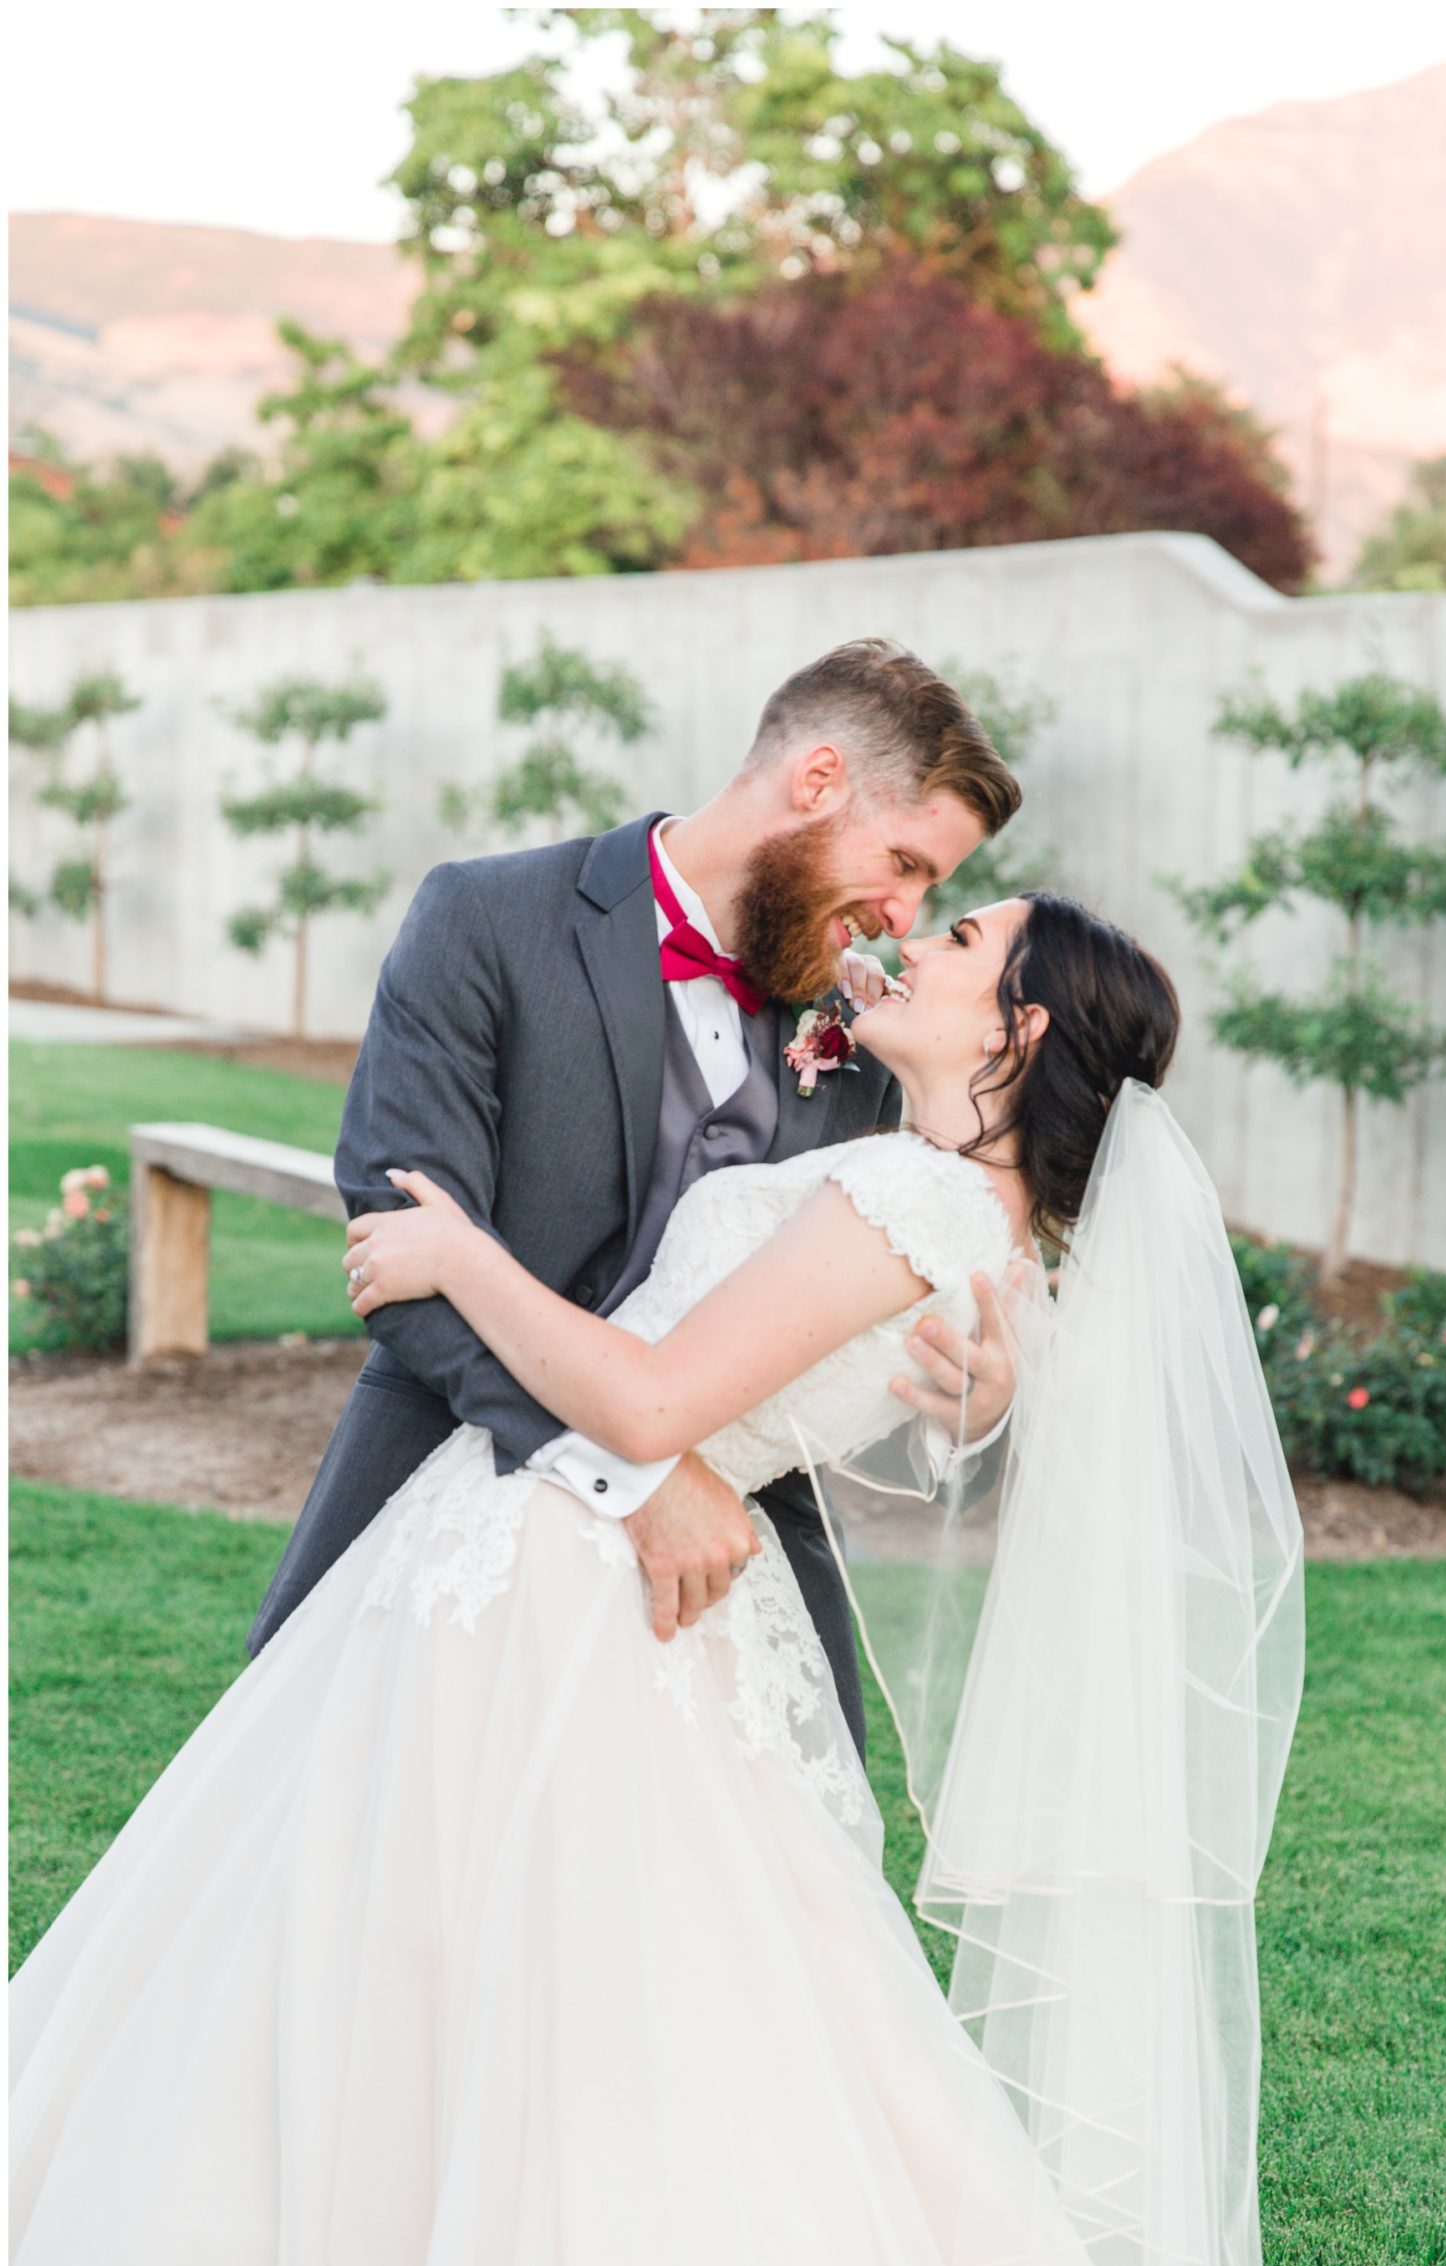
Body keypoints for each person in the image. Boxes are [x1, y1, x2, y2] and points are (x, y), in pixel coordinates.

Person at [11, 895, 1446, 2266]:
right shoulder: (966, 1222)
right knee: (520, 2023)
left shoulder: (910, 1194)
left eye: (962, 943)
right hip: (570, 1587)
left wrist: (460, 1253)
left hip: (580, 1597)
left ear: (1017, 1032)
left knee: (476, 2017)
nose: (919, 937)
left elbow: (656, 1399)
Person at [246, 635, 1024, 1760]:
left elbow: (850, 1311)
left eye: (928, 890)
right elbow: (399, 1235)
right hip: (447, 1511)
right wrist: (634, 1471)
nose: (902, 916)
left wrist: (968, 1403)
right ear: (815, 783)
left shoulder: (866, 1040)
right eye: (903, 861)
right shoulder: (486, 918)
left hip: (733, 1570)